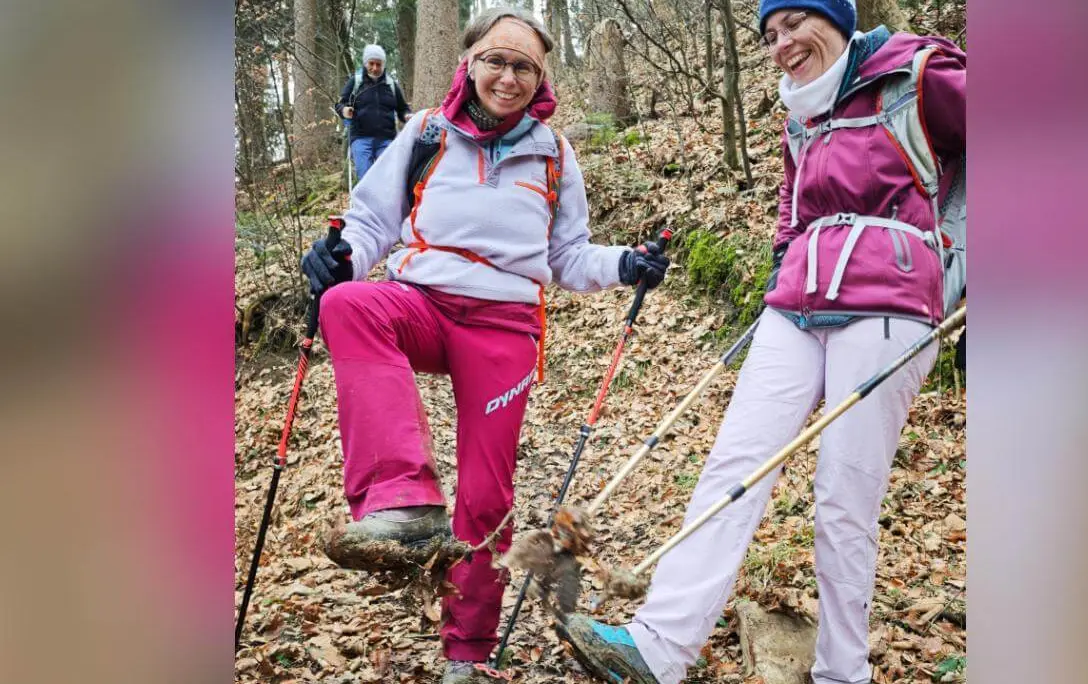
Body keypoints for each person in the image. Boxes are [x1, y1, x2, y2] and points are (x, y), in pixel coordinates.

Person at [561, 1, 965, 683]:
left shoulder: (915, 72)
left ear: (836, 18)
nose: (781, 45)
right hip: (797, 302)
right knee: (733, 466)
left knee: (845, 494)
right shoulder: (800, 112)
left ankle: (844, 671)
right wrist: (784, 259)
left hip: (892, 300)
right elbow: (792, 202)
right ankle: (658, 648)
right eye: (770, 35)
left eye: (794, 24)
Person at [300, 7, 670, 683]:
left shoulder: (555, 153)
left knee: (484, 496)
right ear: (468, 63)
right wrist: (338, 259)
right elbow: (370, 222)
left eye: (523, 66)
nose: (507, 76)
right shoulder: (426, 134)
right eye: (495, 60)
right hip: (421, 302)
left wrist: (626, 265)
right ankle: (400, 500)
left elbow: (570, 256)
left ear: (541, 77)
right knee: (348, 303)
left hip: (503, 328)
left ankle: (466, 653)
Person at [335, 44, 412, 182]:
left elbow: (402, 108)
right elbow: (340, 104)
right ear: (365, 63)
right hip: (360, 138)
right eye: (371, 63)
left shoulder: (391, 85)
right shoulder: (356, 82)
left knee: (388, 178)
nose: (375, 68)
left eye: (379, 64)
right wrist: (345, 110)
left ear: (383, 65)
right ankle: (366, 203)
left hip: (387, 139)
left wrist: (407, 115)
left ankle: (385, 203)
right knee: (366, 178)